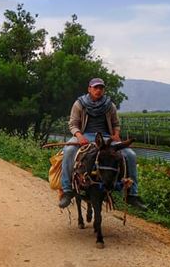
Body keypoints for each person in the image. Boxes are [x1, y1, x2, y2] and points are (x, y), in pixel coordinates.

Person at [58, 78, 147, 211]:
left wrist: (116, 134)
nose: (98, 90)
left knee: (130, 155)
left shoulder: (109, 105)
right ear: (89, 89)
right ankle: (67, 190)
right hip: (85, 135)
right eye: (95, 88)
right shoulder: (79, 104)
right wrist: (79, 136)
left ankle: (132, 194)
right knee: (69, 150)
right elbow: (73, 124)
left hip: (106, 138)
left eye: (101, 88)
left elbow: (116, 124)